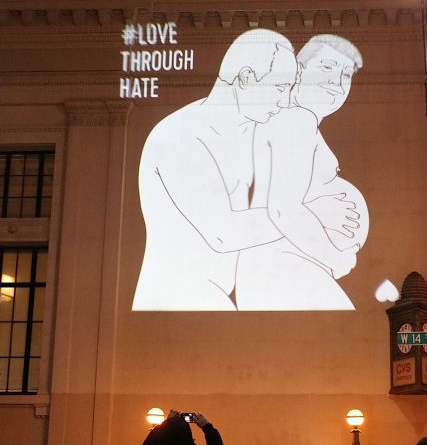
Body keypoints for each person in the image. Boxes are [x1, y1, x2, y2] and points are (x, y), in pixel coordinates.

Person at [133, 28, 357, 312]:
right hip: (176, 298)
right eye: (279, 87)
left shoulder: (253, 129)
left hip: (220, 298)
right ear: (246, 78)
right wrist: (313, 213)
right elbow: (223, 232)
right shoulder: (177, 136)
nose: (283, 100)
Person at [236, 33, 369, 311]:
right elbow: (283, 209)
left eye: (346, 75)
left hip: (280, 267)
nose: (336, 83)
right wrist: (336, 257)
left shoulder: (291, 119)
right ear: (299, 70)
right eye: (327, 67)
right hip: (284, 267)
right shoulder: (297, 119)